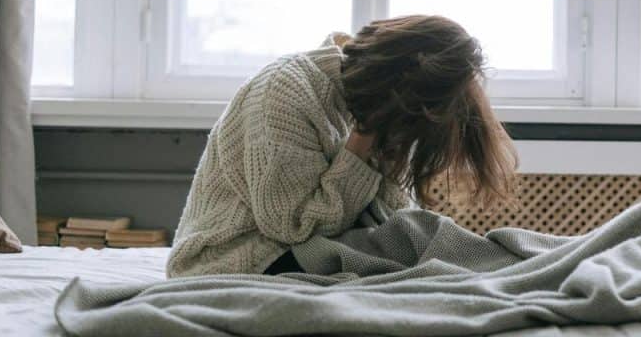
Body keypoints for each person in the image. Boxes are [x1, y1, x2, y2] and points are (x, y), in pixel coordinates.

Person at [166, 15, 517, 278]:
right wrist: (361, 142)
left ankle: (526, 262)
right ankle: (521, 267)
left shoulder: (369, 103)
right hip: (235, 258)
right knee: (415, 237)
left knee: (416, 236)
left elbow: (388, 215)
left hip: (300, 250)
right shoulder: (285, 92)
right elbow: (293, 226)